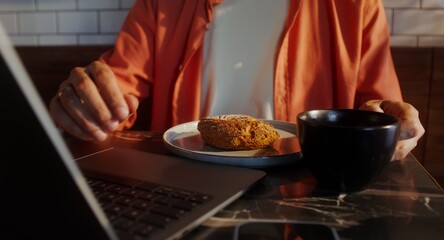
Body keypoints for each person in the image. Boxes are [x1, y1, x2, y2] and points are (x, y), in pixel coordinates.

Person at [49, 0, 424, 160]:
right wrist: (83, 107)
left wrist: (391, 130)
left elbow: (381, 110)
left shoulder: (354, 7)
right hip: (186, 192)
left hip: (303, 197)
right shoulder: (162, 5)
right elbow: (116, 90)